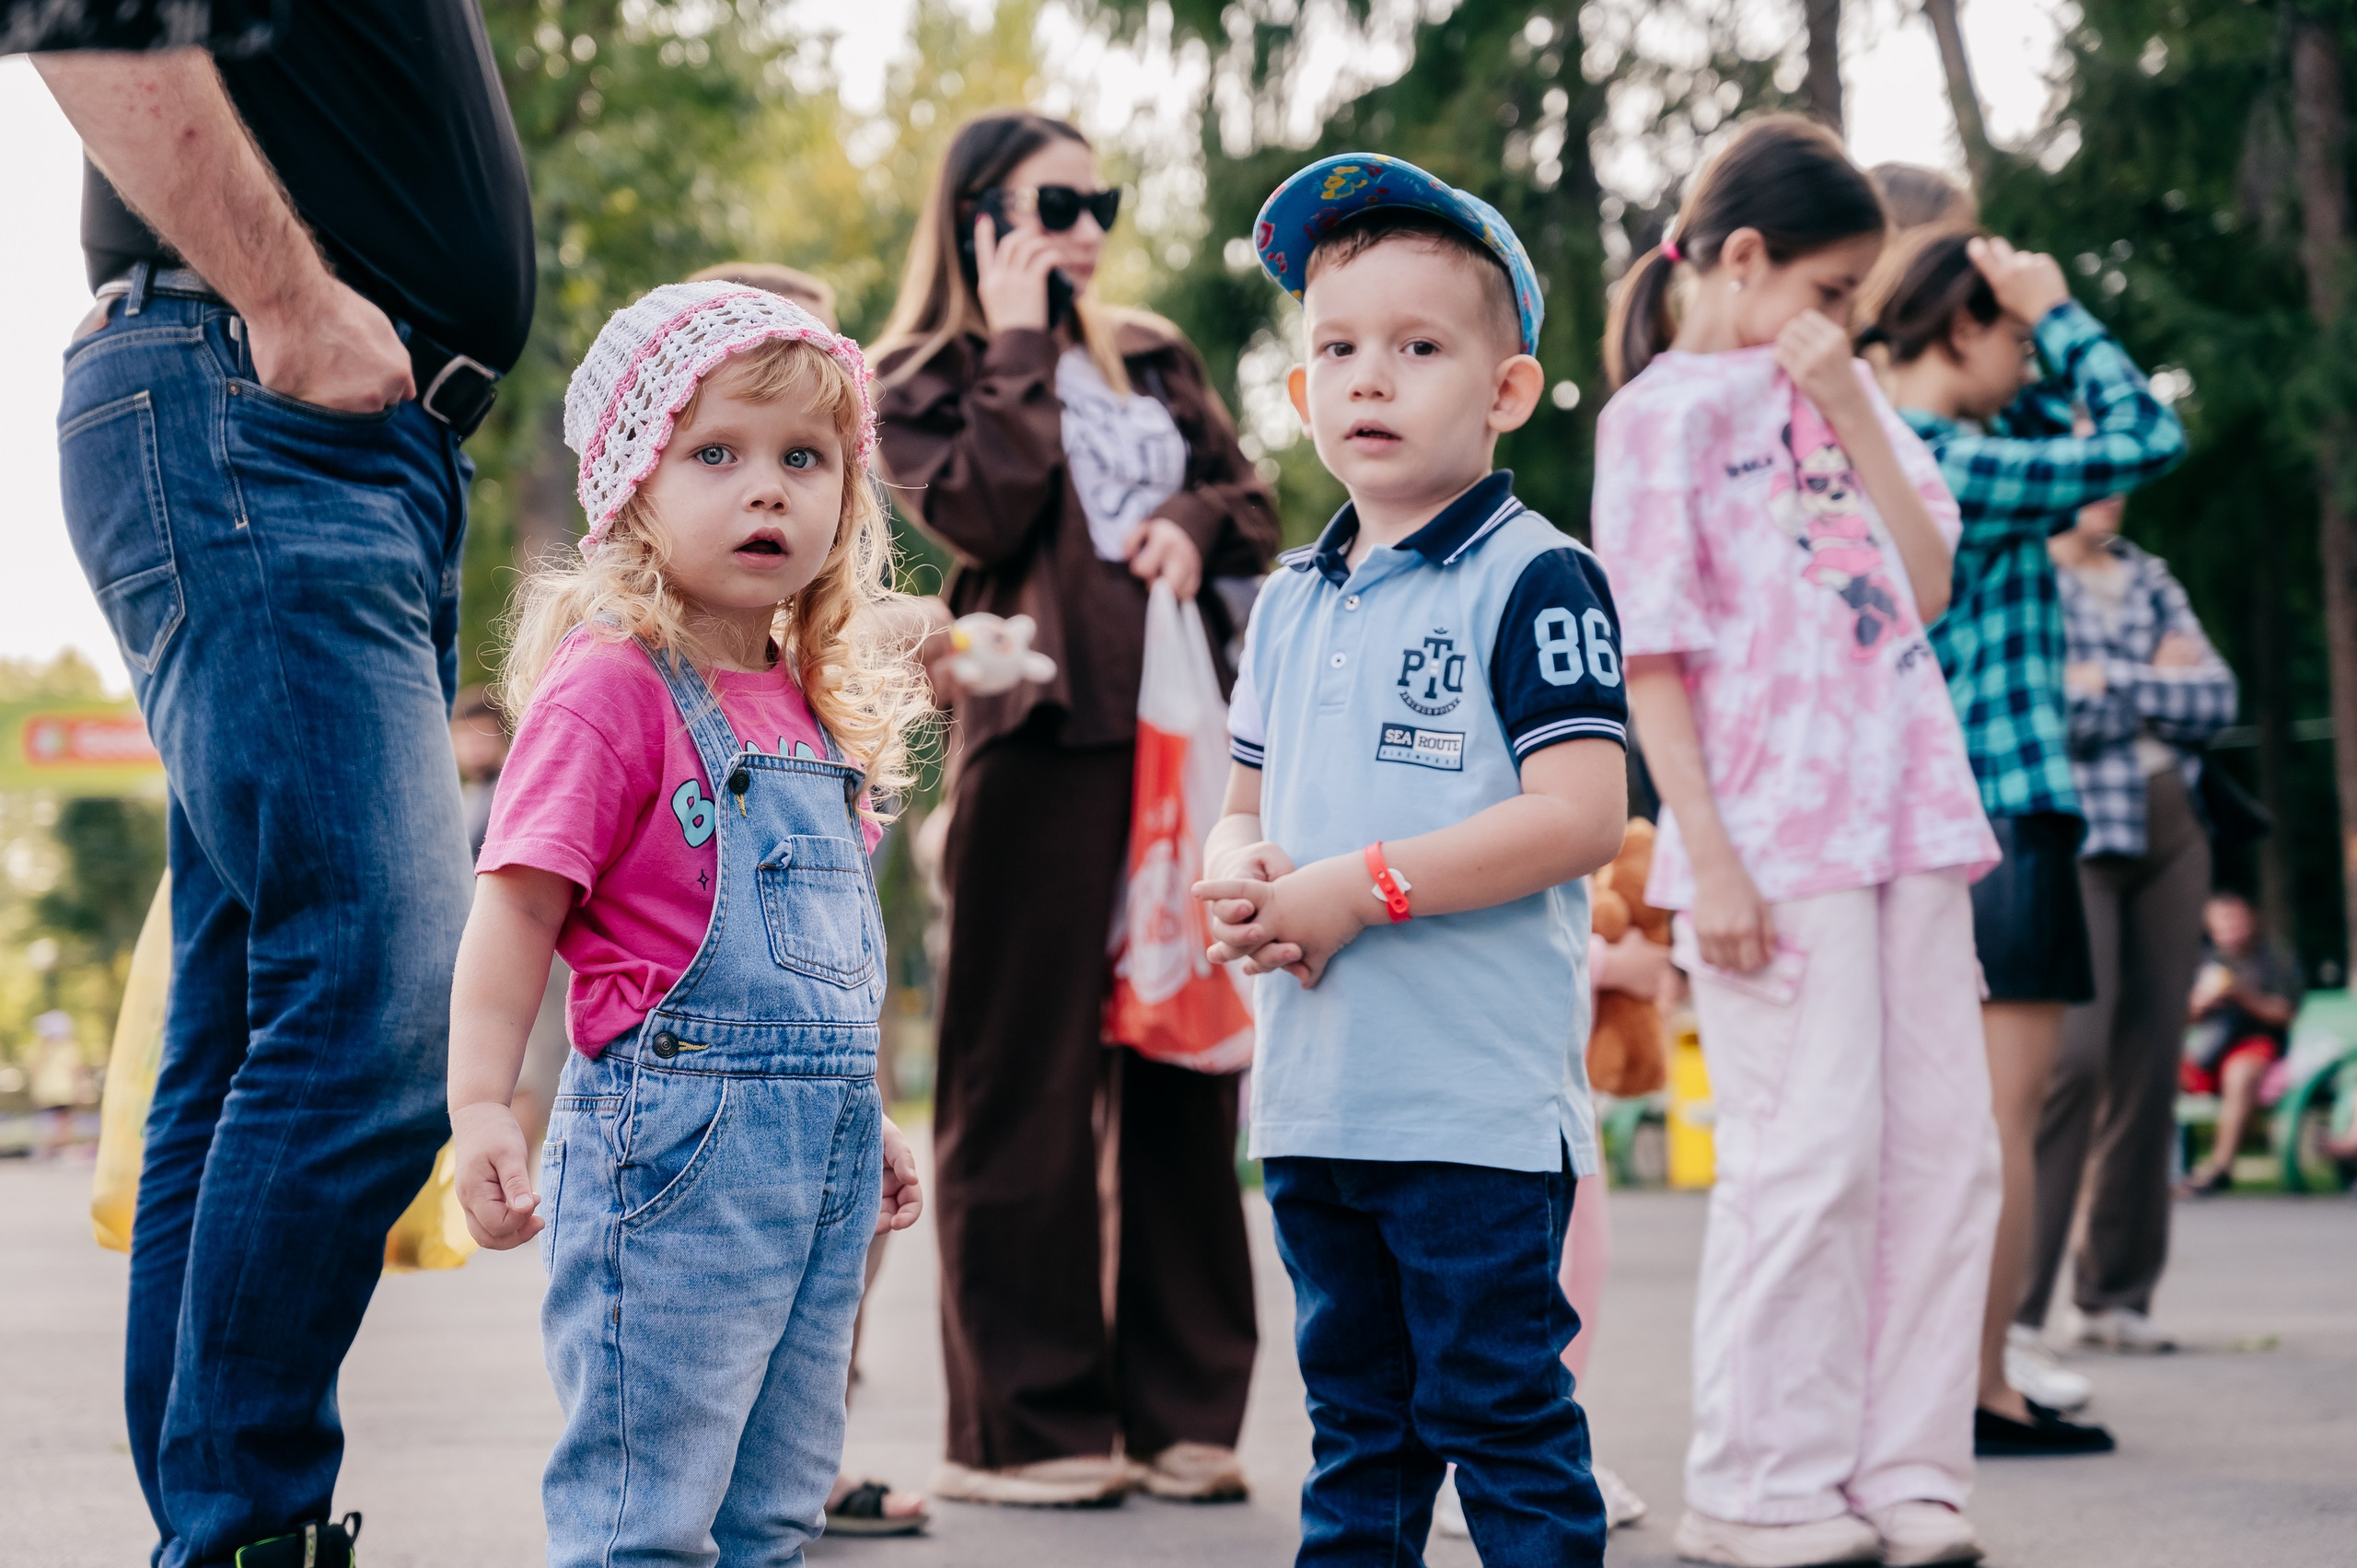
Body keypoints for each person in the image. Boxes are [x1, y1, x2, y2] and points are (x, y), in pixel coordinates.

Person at [37, 16, 531, 1563]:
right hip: (253, 396)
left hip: (329, 434)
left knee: (251, 1014)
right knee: (389, 988)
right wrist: (288, 298)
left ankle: (224, 1527)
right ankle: (245, 1528)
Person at [445, 281, 929, 1562]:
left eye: (804, 459)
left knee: (773, 1510)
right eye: (715, 453)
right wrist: (483, 1101)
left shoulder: (814, 707)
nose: (766, 489)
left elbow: (813, 966)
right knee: (645, 1514)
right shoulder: (612, 688)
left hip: (814, 1166)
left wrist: (860, 1105)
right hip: (673, 1168)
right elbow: (513, 909)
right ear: (633, 486)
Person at [1199, 150, 1627, 1566]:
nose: (1368, 379)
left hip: (1473, 1114)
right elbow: (1241, 801)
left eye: (1417, 347)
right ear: (1302, 386)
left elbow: (1579, 812)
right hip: (1319, 1101)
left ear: (1504, 391)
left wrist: (1357, 886)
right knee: (1360, 1437)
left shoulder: (1534, 574)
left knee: (1500, 1420)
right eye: (1337, 348)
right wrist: (1240, 869)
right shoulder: (1286, 601)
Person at [1592, 117, 2002, 1568]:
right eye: (1831, 292)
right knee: (1807, 1153)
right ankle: (1759, 1482)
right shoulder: (1653, 420)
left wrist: (1852, 399)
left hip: (1912, 814)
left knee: (1945, 1156)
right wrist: (1715, 857)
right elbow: (1655, 665)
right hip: (1770, 836)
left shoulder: (1846, 396)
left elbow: (1933, 578)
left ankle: (1907, 1468)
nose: (1842, 322)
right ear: (1745, 258)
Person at [870, 109, 1278, 1507]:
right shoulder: (918, 372)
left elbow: (1254, 494)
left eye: (1102, 196)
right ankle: (1026, 1426)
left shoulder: (1156, 350)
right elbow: (982, 514)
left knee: (1180, 1064)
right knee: (1018, 1081)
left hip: (1184, 748)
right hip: (1041, 744)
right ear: (982, 217)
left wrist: (1199, 524)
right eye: (1057, 202)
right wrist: (1018, 339)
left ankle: (1183, 1409)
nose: (1089, 223)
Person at [1866, 227, 2187, 1452]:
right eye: (2003, 333)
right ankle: (1982, 1386)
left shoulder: (1880, 439)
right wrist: (2056, 310)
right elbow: (2143, 440)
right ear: (1961, 328)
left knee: (1926, 1121)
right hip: (2004, 800)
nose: (2027, 355)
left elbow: (2068, 427)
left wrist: (2026, 328)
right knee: (1996, 1121)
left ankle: (1943, 1376)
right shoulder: (1954, 455)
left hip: (1917, 814)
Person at [2181, 892, 2301, 1192]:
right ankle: (2155, 1172)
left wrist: (2241, 996)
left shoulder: (2274, 959)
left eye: (2235, 920)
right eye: (2221, 923)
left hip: (2256, 1046)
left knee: (2240, 1072)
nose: (2230, 929)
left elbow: (2286, 1014)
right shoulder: (2201, 961)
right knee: (2148, 1069)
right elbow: (2178, 1018)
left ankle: (2221, 1167)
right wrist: (2197, 1006)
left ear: (2252, 919)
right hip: (2207, 1049)